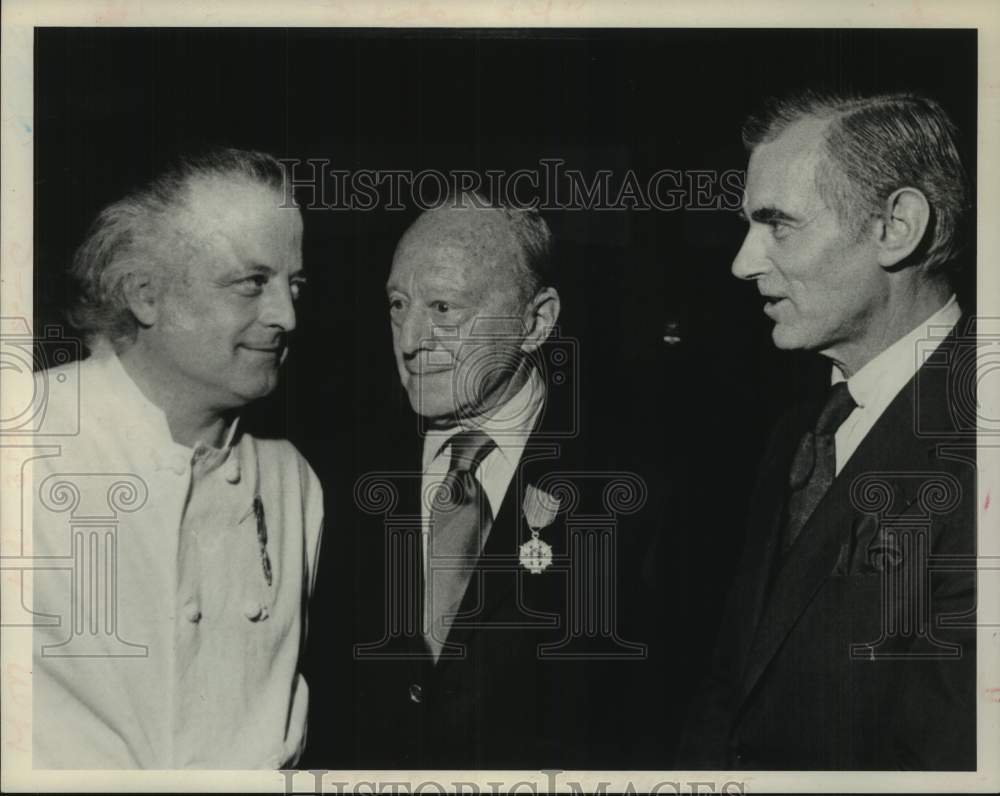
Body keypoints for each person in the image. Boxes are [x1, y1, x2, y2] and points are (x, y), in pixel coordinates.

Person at [678, 91, 977, 769]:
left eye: (778, 224)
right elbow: (732, 688)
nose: (743, 262)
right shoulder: (799, 431)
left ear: (896, 226)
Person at [303, 195, 652, 769]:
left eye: (444, 307)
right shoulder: (337, 468)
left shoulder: (633, 487)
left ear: (535, 321)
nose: (411, 338)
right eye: (398, 304)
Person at [31, 148, 324, 769]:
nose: (287, 316)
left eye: (294, 284)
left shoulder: (292, 478)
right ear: (146, 295)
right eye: (253, 283)